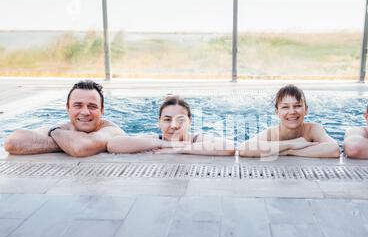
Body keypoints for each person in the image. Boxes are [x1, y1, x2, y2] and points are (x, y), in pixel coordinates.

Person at [4, 80, 124, 157]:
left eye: (92, 106)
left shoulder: (111, 130)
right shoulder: (61, 129)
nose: (85, 112)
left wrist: (55, 136)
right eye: (78, 105)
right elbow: (12, 142)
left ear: (102, 110)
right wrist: (64, 142)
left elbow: (81, 147)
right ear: (68, 108)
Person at [107, 95, 235, 156]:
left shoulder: (197, 139)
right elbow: (113, 144)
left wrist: (179, 149)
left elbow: (229, 147)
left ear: (190, 121)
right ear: (159, 122)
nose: (173, 126)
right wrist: (165, 144)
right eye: (167, 119)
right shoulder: (154, 140)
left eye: (180, 120)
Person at [239, 85, 340, 158]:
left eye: (298, 106)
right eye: (285, 107)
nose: (292, 112)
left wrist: (289, 151)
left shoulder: (313, 129)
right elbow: (243, 149)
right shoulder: (273, 133)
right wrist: (291, 143)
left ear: (306, 110)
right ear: (277, 112)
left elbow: (334, 150)